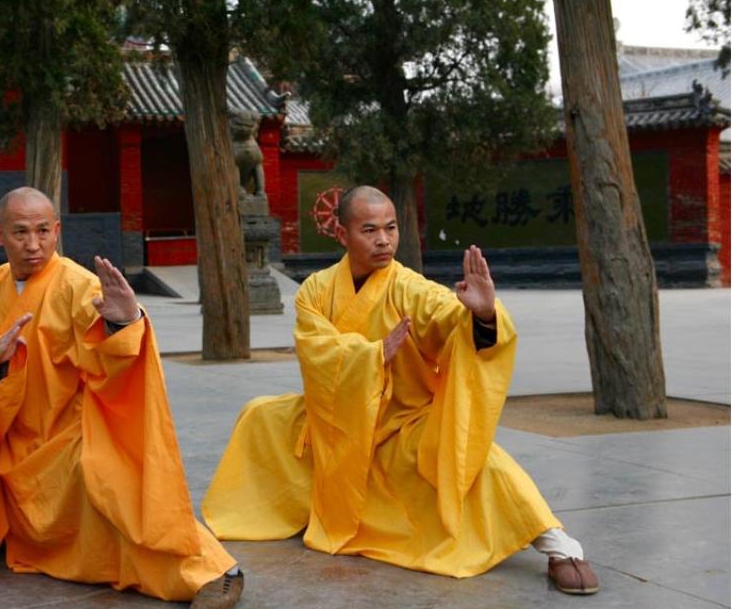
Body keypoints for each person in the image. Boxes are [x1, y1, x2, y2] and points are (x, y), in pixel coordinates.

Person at [201, 186, 599, 595]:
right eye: (369, 230)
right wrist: (372, 357)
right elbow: (315, 352)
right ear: (342, 234)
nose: (383, 240)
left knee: (477, 459)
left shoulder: (409, 287)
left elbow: (444, 316)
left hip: (401, 421)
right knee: (260, 416)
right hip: (335, 422)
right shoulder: (315, 292)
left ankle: (557, 544)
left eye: (390, 228)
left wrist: (481, 314)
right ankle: (284, 508)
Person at [0, 187, 243, 608]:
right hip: (9, 431)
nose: (33, 244)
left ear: (57, 231)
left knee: (110, 476)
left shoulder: (77, 283)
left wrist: (125, 322)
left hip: (66, 429)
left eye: (43, 231)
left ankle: (210, 571)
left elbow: (112, 354)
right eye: (20, 233)